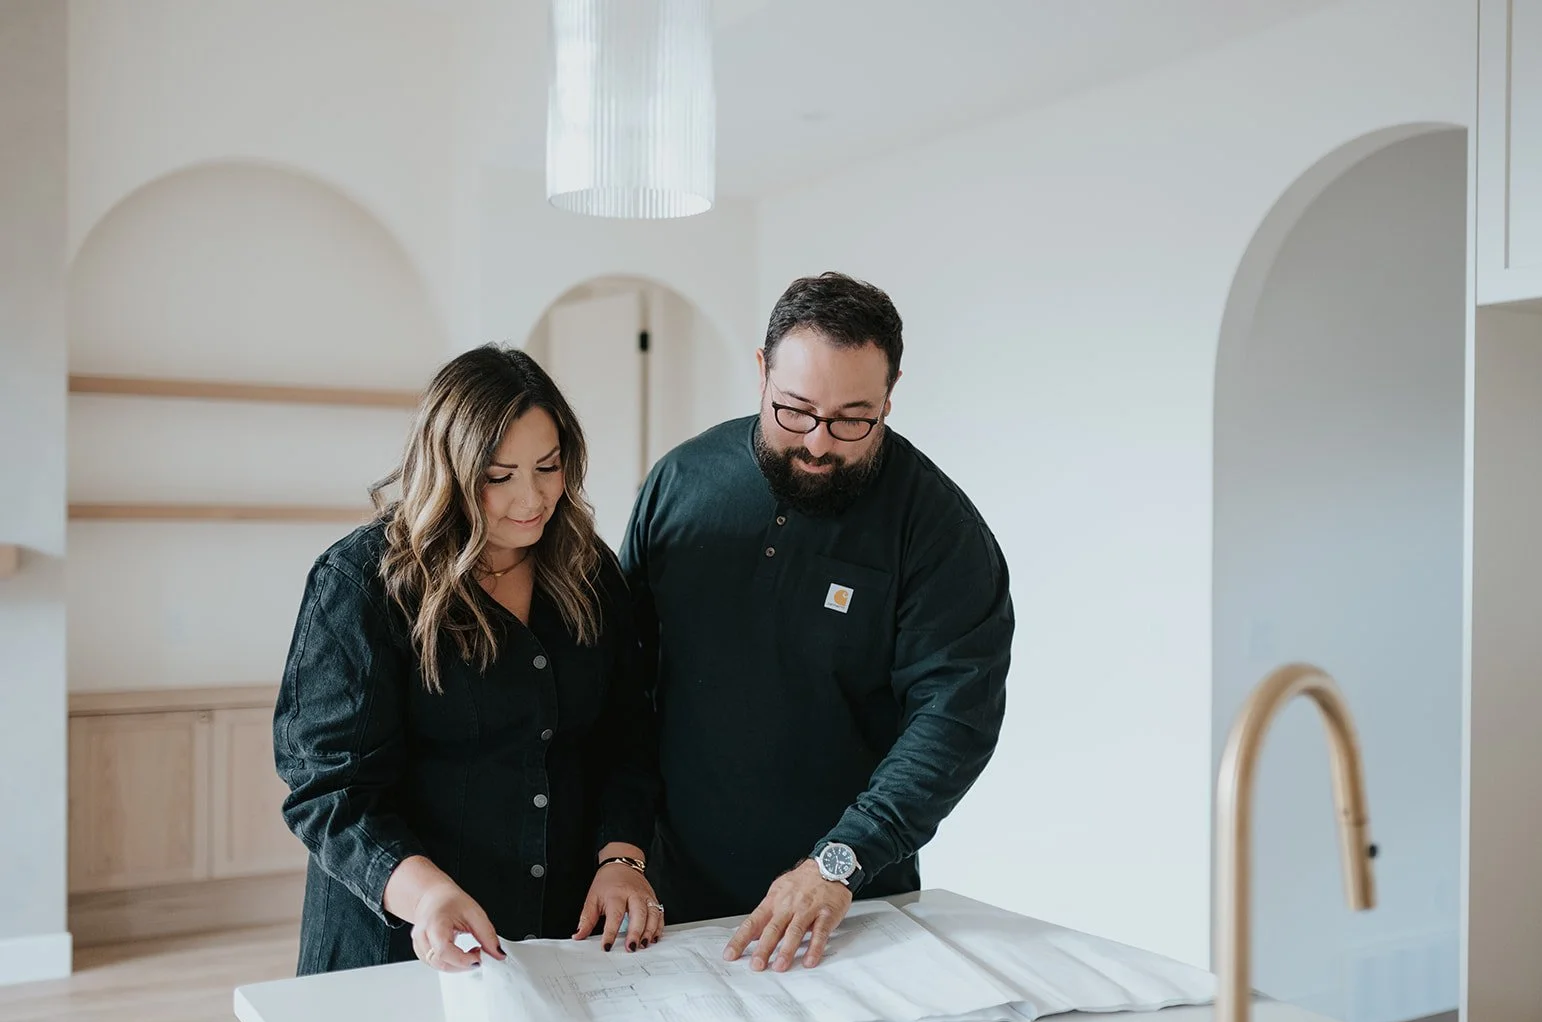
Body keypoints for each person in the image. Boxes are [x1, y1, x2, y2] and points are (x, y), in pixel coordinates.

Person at [620, 271, 1014, 974]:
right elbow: (621, 686)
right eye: (794, 410)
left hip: (852, 906)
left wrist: (838, 862)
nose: (818, 443)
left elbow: (953, 720)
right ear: (762, 370)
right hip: (670, 899)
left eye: (852, 419)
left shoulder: (939, 532)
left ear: (891, 397)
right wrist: (619, 850)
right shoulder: (680, 483)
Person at [274, 345, 664, 975]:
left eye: (548, 467)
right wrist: (427, 893)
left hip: (562, 936)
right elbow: (330, 790)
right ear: (448, 470)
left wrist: (622, 859)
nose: (531, 499)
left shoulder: (589, 574)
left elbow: (627, 738)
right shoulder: (361, 584)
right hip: (399, 943)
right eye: (498, 476)